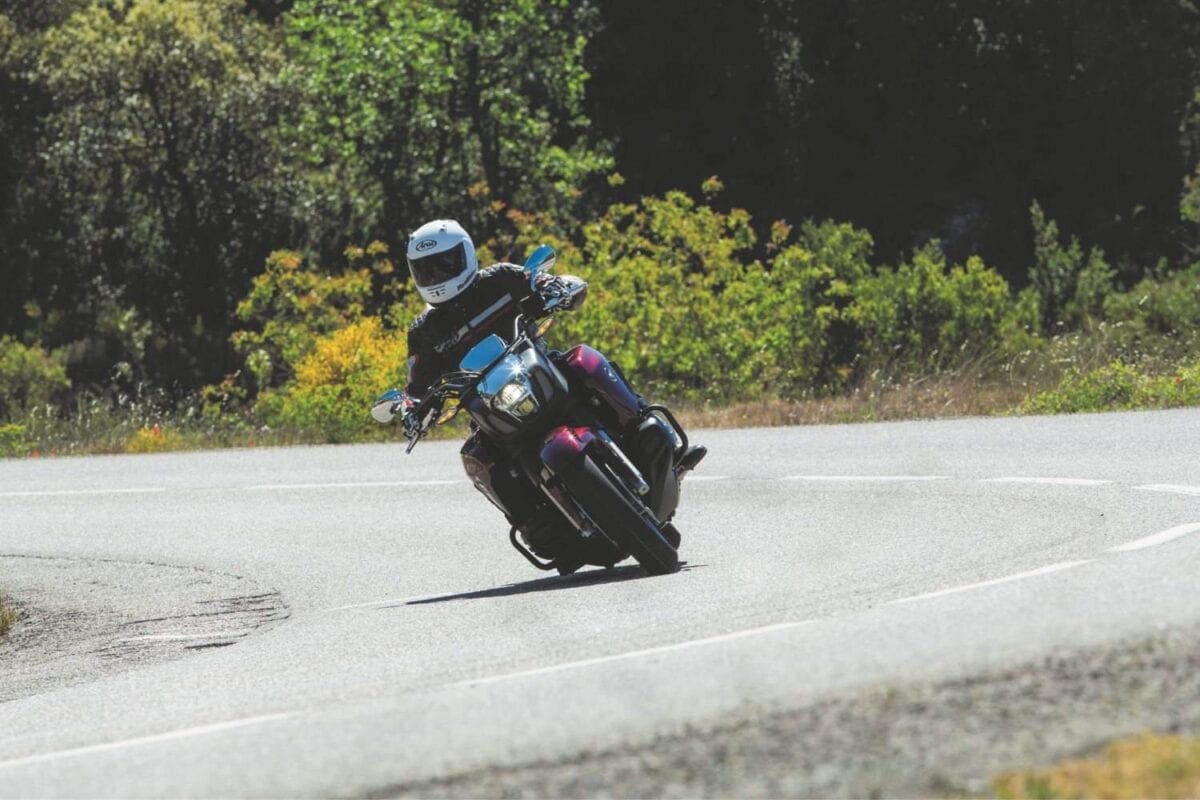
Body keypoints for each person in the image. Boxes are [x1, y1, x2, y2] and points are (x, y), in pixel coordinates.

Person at [398, 219, 705, 570]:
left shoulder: (500, 279)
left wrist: (557, 287)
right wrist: (411, 408)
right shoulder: (424, 331)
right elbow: (416, 383)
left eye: (443, 264)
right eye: (425, 269)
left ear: (465, 255)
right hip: (490, 404)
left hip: (539, 369)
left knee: (584, 360)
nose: (435, 275)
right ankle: (536, 525)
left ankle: (643, 423)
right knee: (477, 456)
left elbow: (539, 282)